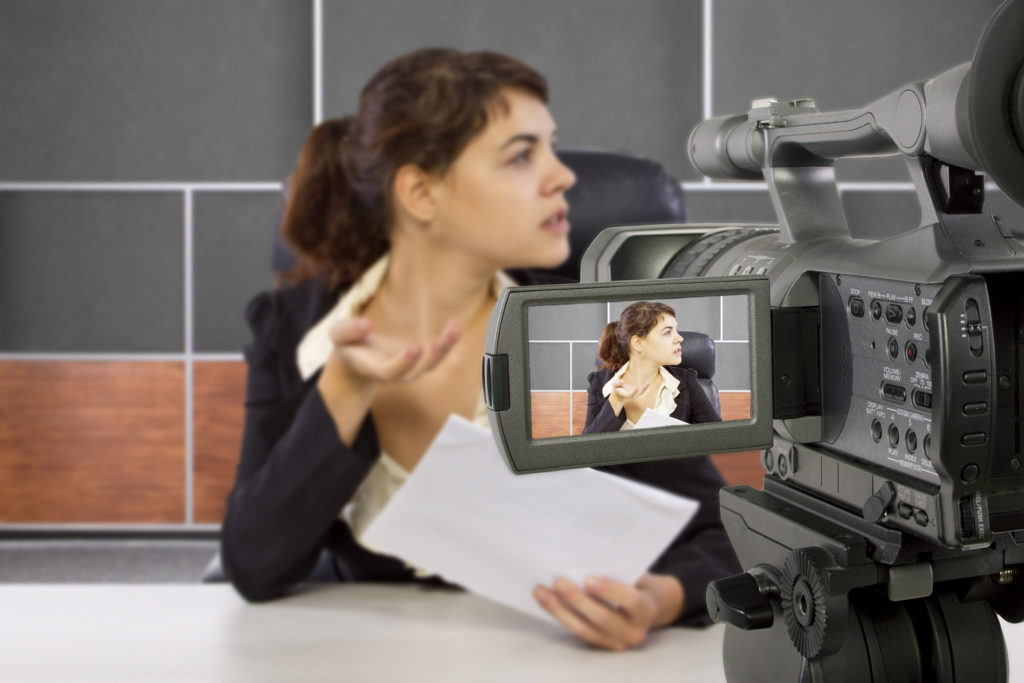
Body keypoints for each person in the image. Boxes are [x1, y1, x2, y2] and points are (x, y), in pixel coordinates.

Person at [220, 48, 738, 651]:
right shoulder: (294, 327)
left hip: (544, 656)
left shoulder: (584, 333)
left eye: (550, 146)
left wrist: (658, 600)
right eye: (522, 154)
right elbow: (254, 564)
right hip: (349, 651)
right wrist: (345, 387)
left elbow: (720, 536)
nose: (562, 175)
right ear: (421, 193)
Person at [583, 301, 722, 433]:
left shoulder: (686, 381)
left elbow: (717, 437)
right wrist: (616, 401)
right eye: (667, 332)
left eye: (676, 330)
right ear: (638, 343)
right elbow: (587, 450)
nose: (679, 338)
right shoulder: (600, 383)